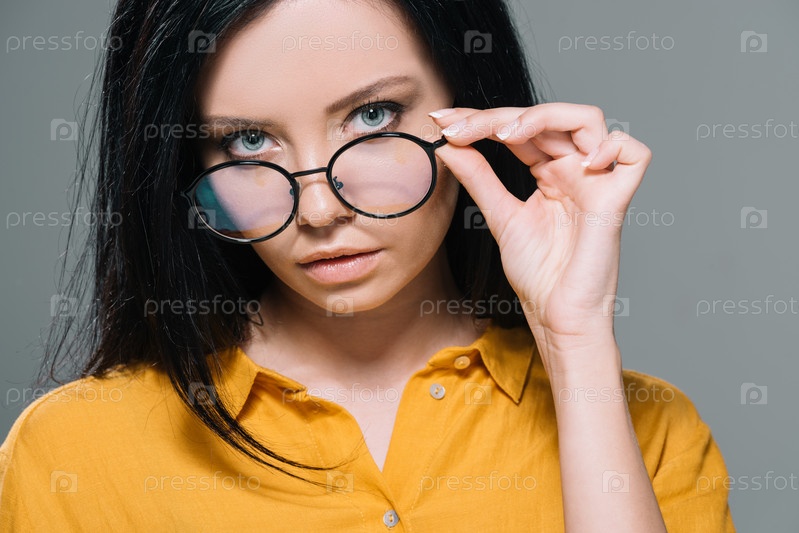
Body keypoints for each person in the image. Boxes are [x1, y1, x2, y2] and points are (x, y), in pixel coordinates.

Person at [0, 0, 735, 531]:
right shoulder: (72, 454)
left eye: (373, 116)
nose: (320, 209)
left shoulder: (647, 431)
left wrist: (575, 343)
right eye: (248, 141)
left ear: (469, 109)